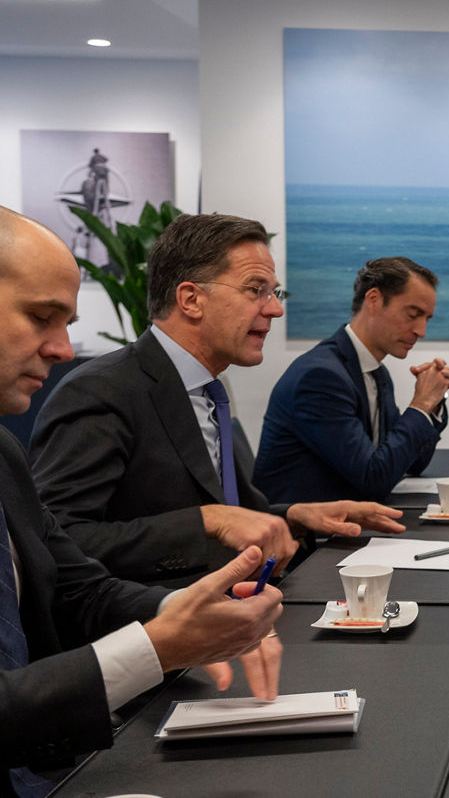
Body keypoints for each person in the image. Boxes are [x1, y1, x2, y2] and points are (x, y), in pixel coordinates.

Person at [0, 206, 282, 793]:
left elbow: (71, 581)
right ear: (190, 298)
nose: (62, 349)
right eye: (41, 317)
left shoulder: (3, 451)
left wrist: (178, 618)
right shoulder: (102, 391)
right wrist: (159, 642)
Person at [28, 213, 404, 588]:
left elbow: (230, 515)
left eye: (275, 292)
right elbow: (56, 541)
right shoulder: (102, 391)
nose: (275, 309)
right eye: (256, 290)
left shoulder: (207, 389)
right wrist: (208, 521)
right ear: (191, 299)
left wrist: (296, 515)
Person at [254, 257, 449, 504]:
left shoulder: (375, 372)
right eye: (413, 315)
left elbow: (412, 462)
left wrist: (431, 403)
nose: (421, 331)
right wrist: (420, 405)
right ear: (374, 300)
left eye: (427, 319)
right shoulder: (320, 377)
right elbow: (374, 478)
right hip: (306, 537)